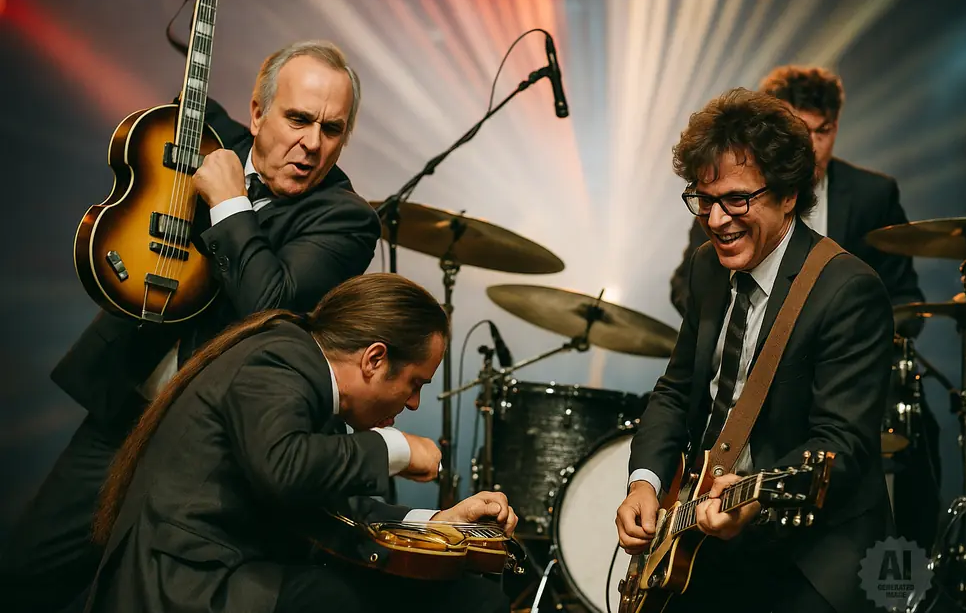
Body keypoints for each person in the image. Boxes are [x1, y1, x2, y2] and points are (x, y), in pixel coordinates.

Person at [0, 40, 387, 612]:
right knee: (24, 577)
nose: (311, 144)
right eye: (298, 118)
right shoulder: (206, 143)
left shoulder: (345, 219)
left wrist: (231, 204)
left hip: (209, 453)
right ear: (258, 113)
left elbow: (269, 305)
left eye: (332, 129)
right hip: (123, 414)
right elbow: (185, 101)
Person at [85, 273, 515, 613]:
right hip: (190, 586)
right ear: (375, 359)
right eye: (414, 383)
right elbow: (285, 467)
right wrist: (395, 447)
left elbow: (328, 503)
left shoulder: (308, 375)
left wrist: (436, 522)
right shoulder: (278, 361)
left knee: (470, 598)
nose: (415, 401)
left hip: (233, 570)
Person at [617, 88, 894, 612]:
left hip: (808, 552)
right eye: (704, 199)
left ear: (789, 194)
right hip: (708, 535)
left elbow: (842, 445)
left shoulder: (847, 289)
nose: (718, 219)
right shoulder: (706, 267)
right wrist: (644, 483)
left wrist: (756, 496)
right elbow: (675, 391)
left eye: (737, 199)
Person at [668, 66, 924, 337]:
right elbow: (689, 283)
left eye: (822, 131)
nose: (811, 146)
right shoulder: (724, 195)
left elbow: (903, 297)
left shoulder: (873, 195)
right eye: (798, 129)